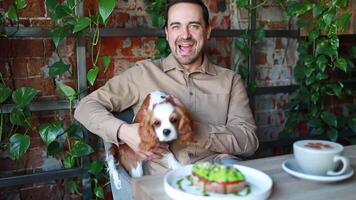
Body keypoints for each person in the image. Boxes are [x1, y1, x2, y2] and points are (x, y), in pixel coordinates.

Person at [74, 0, 258, 199]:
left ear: (207, 31)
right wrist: (125, 132)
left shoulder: (230, 81)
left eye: (194, 26)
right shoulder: (143, 73)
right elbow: (85, 107)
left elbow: (249, 141)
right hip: (163, 182)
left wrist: (191, 128)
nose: (185, 35)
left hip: (216, 172)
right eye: (176, 26)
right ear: (167, 33)